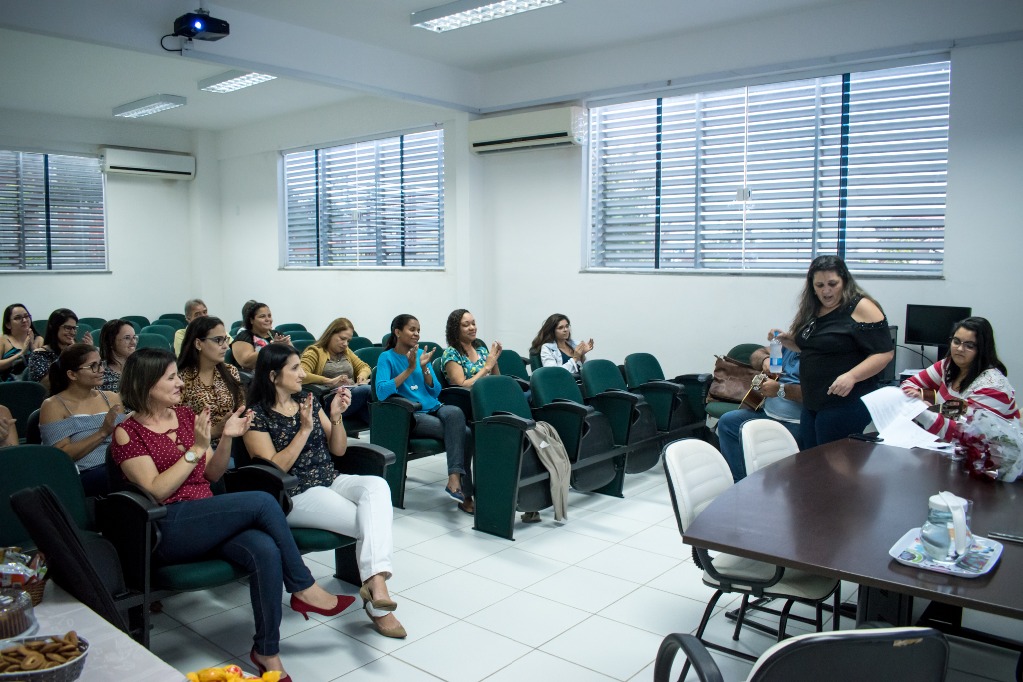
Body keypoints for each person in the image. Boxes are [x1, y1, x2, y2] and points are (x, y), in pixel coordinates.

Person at [111, 348, 353, 681]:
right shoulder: (128, 432)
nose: (180, 383)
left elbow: (212, 474)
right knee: (262, 502)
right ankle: (302, 586)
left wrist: (225, 438)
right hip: (168, 525)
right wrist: (196, 448)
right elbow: (155, 490)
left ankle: (267, 652)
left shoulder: (184, 416)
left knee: (265, 550)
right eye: (171, 377)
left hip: (207, 516)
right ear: (147, 383)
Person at [244, 344, 405, 639]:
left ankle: (374, 581)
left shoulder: (309, 399)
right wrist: (303, 430)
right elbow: (273, 469)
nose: (303, 373)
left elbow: (339, 448)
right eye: (295, 368)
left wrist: (337, 416)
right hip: (294, 495)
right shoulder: (256, 415)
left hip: (330, 478)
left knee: (377, 486)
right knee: (369, 521)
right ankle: (380, 602)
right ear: (272, 375)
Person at [774, 255, 894, 448]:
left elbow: (884, 353)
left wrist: (852, 376)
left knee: (831, 465)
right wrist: (787, 340)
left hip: (845, 403)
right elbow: (811, 347)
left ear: (844, 281)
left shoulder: (861, 307)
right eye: (819, 285)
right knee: (810, 461)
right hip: (813, 402)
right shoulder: (814, 308)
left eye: (832, 284)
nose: (826, 291)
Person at [376, 314, 474, 513]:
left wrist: (425, 369)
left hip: (434, 407)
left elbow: (436, 390)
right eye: (412, 329)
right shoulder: (386, 357)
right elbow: (381, 392)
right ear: (397, 332)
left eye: (418, 330)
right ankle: (465, 492)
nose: (417, 334)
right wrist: (410, 368)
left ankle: (454, 480)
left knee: (455, 411)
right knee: (465, 433)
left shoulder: (421, 354)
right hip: (411, 415)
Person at [901, 316, 1018, 441]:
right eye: (956, 341)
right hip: (950, 448)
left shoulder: (993, 386)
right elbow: (908, 383)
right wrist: (918, 399)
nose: (960, 349)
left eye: (969, 345)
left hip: (994, 455)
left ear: (982, 349)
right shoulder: (947, 365)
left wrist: (922, 409)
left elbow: (963, 433)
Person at [38, 343, 126, 496]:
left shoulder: (111, 397)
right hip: (86, 472)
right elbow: (61, 455)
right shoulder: (53, 405)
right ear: (72, 375)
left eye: (101, 364)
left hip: (121, 463)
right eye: (93, 366)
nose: (102, 370)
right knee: (126, 477)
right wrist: (102, 433)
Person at [716, 340, 802, 482]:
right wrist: (765, 360)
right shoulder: (787, 346)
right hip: (766, 413)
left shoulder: (816, 354)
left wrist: (780, 390)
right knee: (727, 422)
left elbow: (816, 393)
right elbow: (757, 353)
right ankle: (740, 483)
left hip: (795, 422)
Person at [178, 316, 245, 448]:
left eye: (225, 339)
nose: (226, 346)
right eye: (218, 340)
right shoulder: (180, 379)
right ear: (198, 344)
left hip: (233, 443)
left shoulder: (230, 371)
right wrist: (215, 431)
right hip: (198, 449)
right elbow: (174, 430)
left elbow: (241, 407)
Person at [300, 318, 372, 423]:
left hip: (351, 396)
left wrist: (362, 376)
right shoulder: (315, 352)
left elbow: (364, 367)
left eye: (348, 341)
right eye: (342, 338)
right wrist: (329, 381)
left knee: (374, 411)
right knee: (368, 391)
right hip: (329, 399)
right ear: (330, 334)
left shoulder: (346, 352)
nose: (345, 344)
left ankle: (386, 436)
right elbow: (301, 374)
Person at [27, 309, 92, 387]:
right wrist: (67, 355)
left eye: (74, 328)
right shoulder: (39, 354)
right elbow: (43, 385)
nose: (72, 332)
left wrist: (89, 355)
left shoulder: (75, 351)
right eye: (68, 328)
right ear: (54, 328)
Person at [441, 308, 502, 388]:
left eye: (473, 324)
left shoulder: (481, 351)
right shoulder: (451, 353)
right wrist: (486, 367)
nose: (472, 328)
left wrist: (494, 361)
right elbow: (461, 386)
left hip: (489, 393)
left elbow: (497, 382)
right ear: (455, 329)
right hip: (468, 398)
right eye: (466, 325)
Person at [231, 301, 290, 370]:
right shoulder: (244, 337)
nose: (267, 319)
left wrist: (287, 346)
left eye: (269, 316)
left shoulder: (277, 334)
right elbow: (246, 362)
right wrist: (271, 347)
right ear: (251, 320)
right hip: (255, 378)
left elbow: (294, 356)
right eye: (262, 316)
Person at [529, 314, 594, 377]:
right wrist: (575, 358)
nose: (565, 330)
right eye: (560, 328)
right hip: (563, 385)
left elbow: (587, 371)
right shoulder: (547, 348)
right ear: (552, 331)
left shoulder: (575, 344)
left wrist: (582, 355)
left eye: (567, 326)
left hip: (581, 382)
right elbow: (554, 373)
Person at [1, 304, 43, 380]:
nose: (24, 320)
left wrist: (32, 346)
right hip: (9, 387)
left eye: (26, 316)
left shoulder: (39, 339)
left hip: (35, 386)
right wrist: (22, 353)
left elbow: (44, 365)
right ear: (8, 324)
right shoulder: (3, 340)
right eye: (18, 318)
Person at [98, 319, 138, 392]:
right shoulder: (100, 372)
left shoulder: (140, 365)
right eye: (127, 338)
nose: (133, 342)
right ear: (111, 342)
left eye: (134, 337)